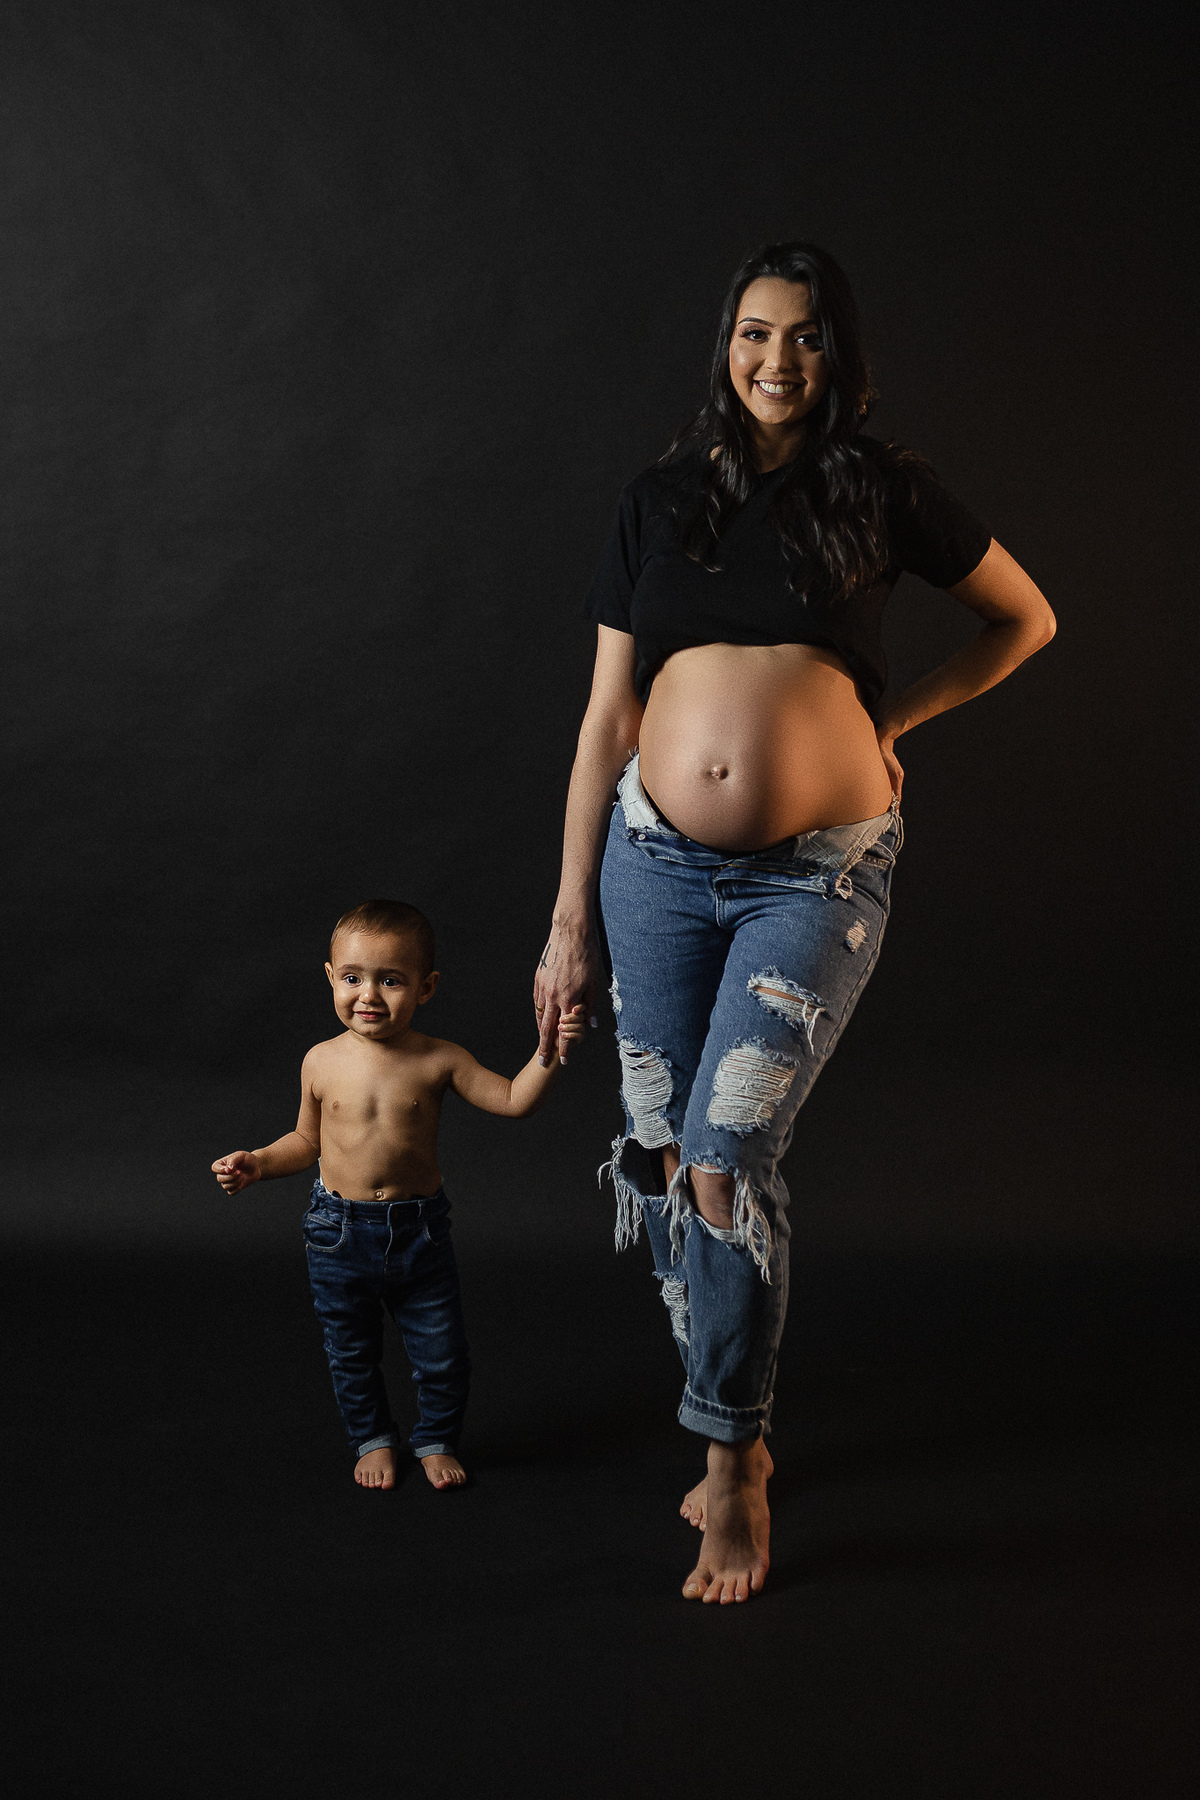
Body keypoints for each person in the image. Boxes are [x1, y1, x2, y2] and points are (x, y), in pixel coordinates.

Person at [534, 241, 1056, 1604]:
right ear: (728, 344)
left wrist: (890, 722)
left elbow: (1024, 620)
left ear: (839, 354)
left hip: (817, 875)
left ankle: (732, 1459)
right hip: (651, 867)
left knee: (726, 1157)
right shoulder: (660, 500)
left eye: (807, 337)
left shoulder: (881, 488)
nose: (778, 359)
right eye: (757, 333)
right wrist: (567, 919)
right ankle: (728, 1400)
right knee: (663, 1152)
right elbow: (605, 721)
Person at [213, 898, 585, 1492]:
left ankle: (435, 1437)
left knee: (443, 1352)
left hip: (419, 1233)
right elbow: (306, 1140)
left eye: (390, 980)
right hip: (337, 1231)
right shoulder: (320, 1061)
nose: (368, 995)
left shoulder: (439, 1058)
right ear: (330, 978)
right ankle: (373, 1438)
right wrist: (259, 1162)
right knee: (351, 1351)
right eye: (352, 978)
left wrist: (550, 1052)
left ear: (426, 987)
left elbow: (515, 1100)